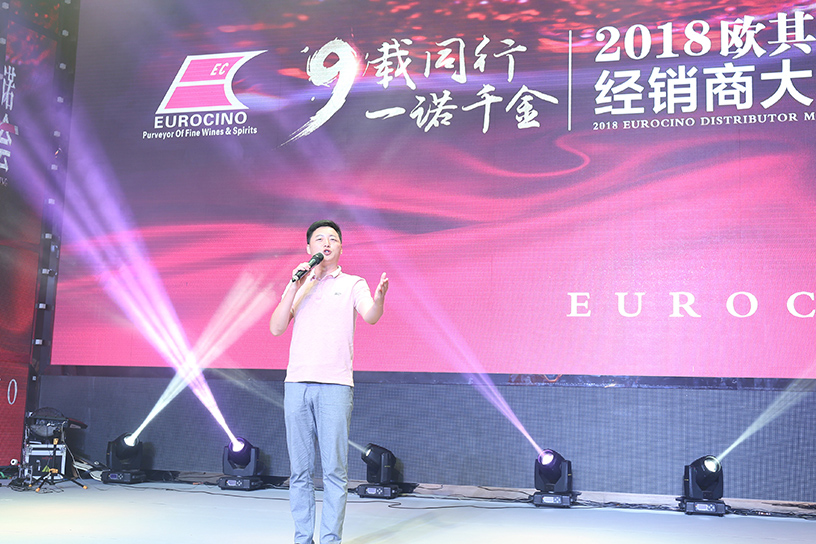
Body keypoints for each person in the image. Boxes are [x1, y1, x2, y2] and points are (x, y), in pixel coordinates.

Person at [270, 219, 389, 544]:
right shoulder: (300, 284)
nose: (326, 243)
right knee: (300, 471)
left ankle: (330, 539)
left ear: (340, 248)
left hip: (335, 386)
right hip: (297, 384)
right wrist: (294, 284)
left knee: (334, 470)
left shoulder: (353, 283)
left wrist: (379, 299)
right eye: (320, 239)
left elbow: (371, 315)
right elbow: (277, 327)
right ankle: (302, 538)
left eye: (333, 239)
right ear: (309, 248)